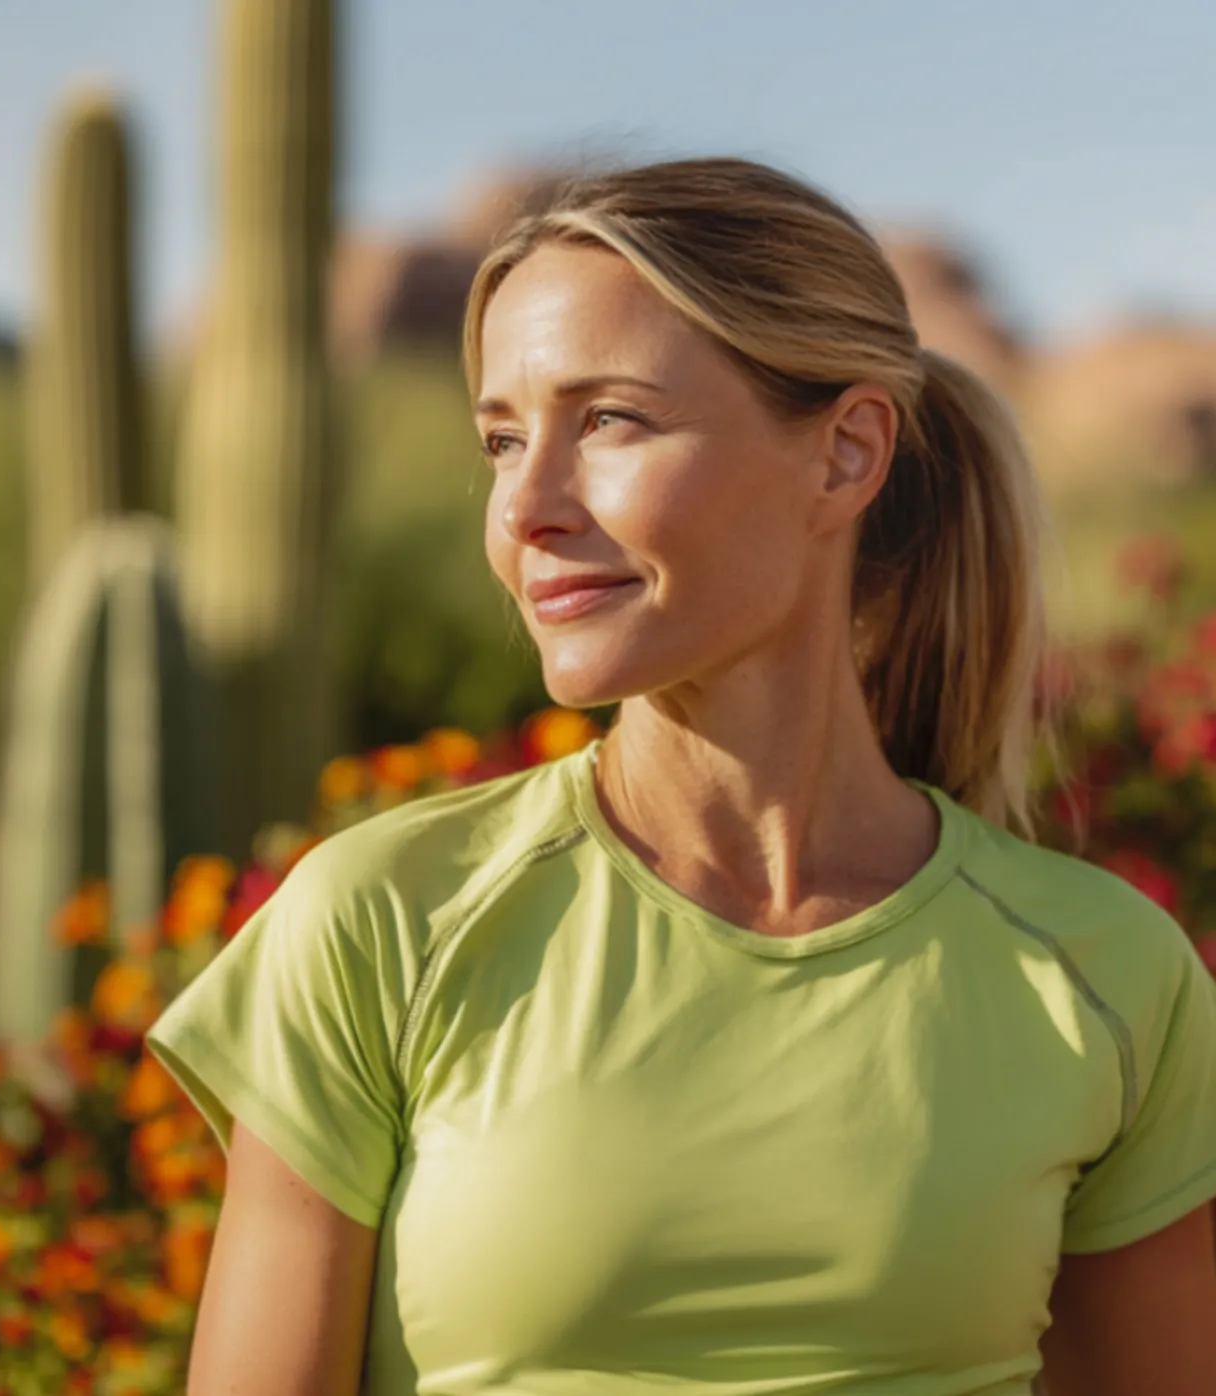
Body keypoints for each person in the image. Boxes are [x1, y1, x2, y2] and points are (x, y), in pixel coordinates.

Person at [141, 155, 1216, 1395]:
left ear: (847, 454)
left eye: (609, 420)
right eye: (500, 439)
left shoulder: (1108, 977)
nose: (526, 507)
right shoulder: (383, 919)